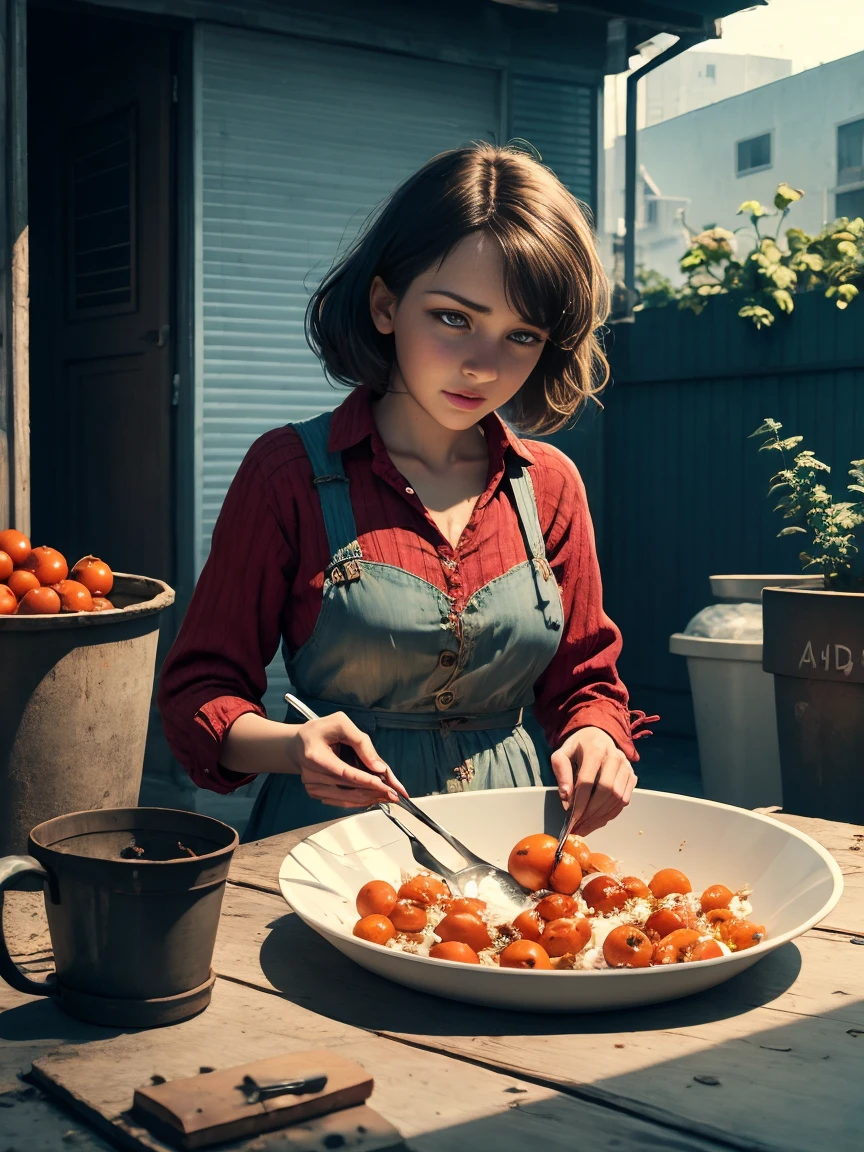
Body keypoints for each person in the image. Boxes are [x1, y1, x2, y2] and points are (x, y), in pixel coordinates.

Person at [157, 142, 655, 843]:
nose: (482, 366)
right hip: (326, 848)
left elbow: (585, 682)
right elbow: (197, 696)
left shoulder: (551, 487)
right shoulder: (286, 473)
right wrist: (289, 747)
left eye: (521, 334)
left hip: (513, 855)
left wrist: (599, 737)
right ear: (386, 304)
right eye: (454, 317)